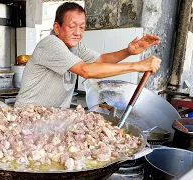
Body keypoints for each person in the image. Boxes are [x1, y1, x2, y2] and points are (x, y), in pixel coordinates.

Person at [15, 2, 161, 108]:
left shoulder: (75, 46)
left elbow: (101, 60)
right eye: (72, 26)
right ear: (57, 28)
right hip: (28, 118)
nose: (78, 33)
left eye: (82, 27)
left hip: (51, 120)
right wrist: (137, 66)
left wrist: (128, 51)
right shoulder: (50, 44)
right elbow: (86, 70)